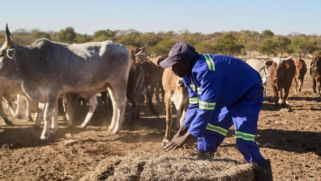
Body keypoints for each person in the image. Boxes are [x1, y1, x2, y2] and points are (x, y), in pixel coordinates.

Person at [160, 43, 273, 181]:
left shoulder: (207, 70)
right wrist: (183, 128)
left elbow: (205, 110)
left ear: (185, 63)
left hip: (247, 95)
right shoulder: (186, 75)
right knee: (208, 133)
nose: (172, 70)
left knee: (244, 141)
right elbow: (195, 104)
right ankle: (204, 169)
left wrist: (186, 137)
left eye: (173, 65)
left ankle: (264, 176)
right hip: (227, 96)